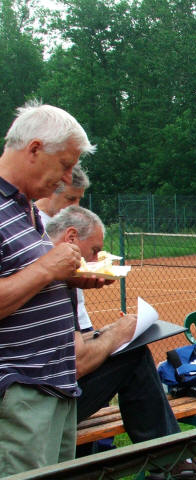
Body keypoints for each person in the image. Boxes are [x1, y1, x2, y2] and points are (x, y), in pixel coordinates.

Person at [46, 205, 196, 479]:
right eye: (94, 251)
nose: (96, 260)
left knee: (130, 352)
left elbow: (66, 347)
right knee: (133, 357)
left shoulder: (49, 273)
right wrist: (117, 335)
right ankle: (171, 460)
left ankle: (171, 458)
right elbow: (75, 364)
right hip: (45, 402)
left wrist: (108, 331)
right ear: (71, 237)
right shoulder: (52, 281)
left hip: (48, 391)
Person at [0, 101, 99, 476]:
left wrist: (67, 278)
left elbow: (24, 278)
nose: (66, 178)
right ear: (35, 149)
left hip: (55, 385)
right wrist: (47, 268)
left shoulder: (23, 207)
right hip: (21, 392)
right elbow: (34, 273)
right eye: (65, 165)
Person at [36, 164, 94, 331]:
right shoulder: (32, 222)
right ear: (51, 190)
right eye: (70, 199)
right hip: (49, 324)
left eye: (79, 199)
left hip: (79, 318)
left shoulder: (72, 223)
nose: (76, 207)